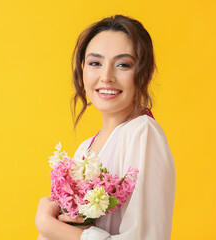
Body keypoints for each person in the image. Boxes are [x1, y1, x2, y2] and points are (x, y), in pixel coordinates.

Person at [34, 15, 176, 240]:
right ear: (83, 71)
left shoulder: (142, 133)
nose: (106, 76)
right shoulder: (85, 149)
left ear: (146, 74)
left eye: (123, 64)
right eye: (95, 63)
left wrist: (48, 225)